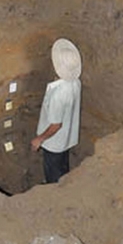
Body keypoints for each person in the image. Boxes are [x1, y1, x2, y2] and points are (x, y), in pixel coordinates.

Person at [31, 38, 82, 183]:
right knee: (62, 163)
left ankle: (54, 187)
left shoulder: (58, 94)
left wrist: (39, 139)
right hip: (66, 137)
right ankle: (63, 180)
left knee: (53, 170)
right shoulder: (76, 82)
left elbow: (56, 125)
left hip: (54, 143)